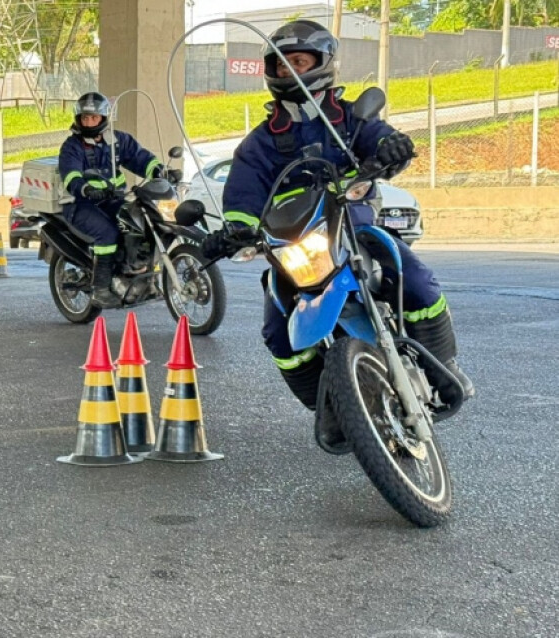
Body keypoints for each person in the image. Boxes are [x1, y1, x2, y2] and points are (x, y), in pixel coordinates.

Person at [200, 19, 474, 435]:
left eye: (299, 60)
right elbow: (242, 197)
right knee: (277, 329)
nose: (290, 70)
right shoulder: (258, 143)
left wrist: (391, 147)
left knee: (413, 277)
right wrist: (234, 229)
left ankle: (443, 367)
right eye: (282, 64)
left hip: (350, 220)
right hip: (293, 242)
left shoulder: (348, 119)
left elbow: (379, 137)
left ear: (323, 63)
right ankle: (328, 407)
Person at [57, 92, 181, 308]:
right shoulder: (72, 146)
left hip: (113, 199)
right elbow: (71, 175)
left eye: (93, 118)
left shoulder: (118, 140)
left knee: (137, 222)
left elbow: (140, 158)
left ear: (103, 118)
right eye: (85, 118)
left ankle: (138, 272)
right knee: (108, 233)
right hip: (80, 204)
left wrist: (159, 171)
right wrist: (85, 189)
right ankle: (101, 289)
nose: (88, 122)